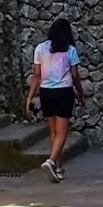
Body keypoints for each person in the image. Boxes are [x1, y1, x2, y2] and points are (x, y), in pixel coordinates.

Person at [25, 17, 85, 182]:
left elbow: (36, 75)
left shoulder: (40, 48)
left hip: (46, 92)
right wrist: (80, 93)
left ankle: (57, 168)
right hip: (63, 92)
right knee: (62, 132)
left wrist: (29, 97)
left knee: (52, 131)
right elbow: (75, 75)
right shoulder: (70, 50)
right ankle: (51, 162)